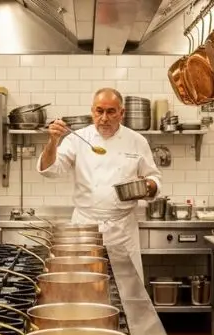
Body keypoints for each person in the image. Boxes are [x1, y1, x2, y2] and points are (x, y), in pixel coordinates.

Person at [37, 88, 162, 281]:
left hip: (122, 229)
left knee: (128, 288)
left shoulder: (137, 141)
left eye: (111, 111)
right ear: (92, 111)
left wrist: (147, 186)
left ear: (122, 113)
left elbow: (154, 178)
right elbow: (50, 170)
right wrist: (53, 141)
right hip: (85, 226)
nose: (104, 118)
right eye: (99, 111)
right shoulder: (77, 139)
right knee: (83, 284)